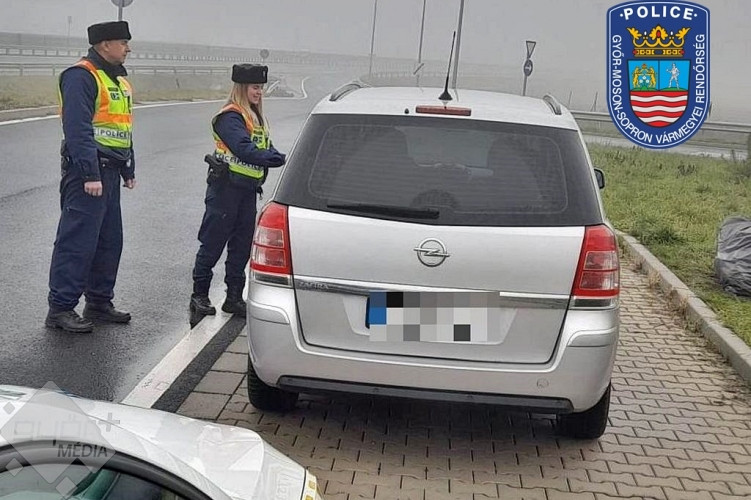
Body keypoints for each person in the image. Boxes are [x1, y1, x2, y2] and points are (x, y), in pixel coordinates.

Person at [46, 21, 136, 334]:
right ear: (104, 44)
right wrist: (89, 173)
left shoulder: (118, 81)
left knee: (109, 241)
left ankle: (99, 301)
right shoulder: (80, 76)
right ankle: (60, 308)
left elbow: (123, 128)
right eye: (123, 42)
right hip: (88, 172)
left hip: (110, 171)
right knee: (77, 241)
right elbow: (78, 129)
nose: (128, 48)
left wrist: (128, 168)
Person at [189, 64, 286, 321]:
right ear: (242, 88)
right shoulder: (230, 116)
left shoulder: (256, 117)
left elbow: (266, 147)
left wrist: (277, 156)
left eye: (261, 88)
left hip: (247, 191)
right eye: (255, 87)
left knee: (241, 247)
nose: (259, 92)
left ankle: (233, 297)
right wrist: (274, 159)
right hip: (225, 190)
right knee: (213, 243)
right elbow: (243, 148)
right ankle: (199, 296)